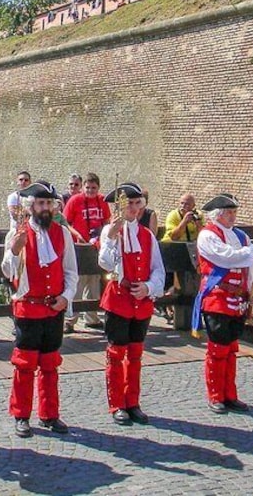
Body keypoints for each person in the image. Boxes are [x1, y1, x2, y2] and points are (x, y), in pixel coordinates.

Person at [1, 181, 77, 438]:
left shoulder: (62, 233)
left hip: (53, 308)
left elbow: (70, 271)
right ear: (31, 206)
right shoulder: (17, 234)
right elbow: (8, 271)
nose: (45, 208)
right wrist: (15, 250)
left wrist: (66, 297)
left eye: (48, 203)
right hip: (28, 308)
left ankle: (49, 414)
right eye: (40, 203)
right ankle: (21, 414)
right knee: (25, 364)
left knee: (50, 363)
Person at [97, 182, 165, 425]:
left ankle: (133, 401)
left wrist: (148, 287)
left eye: (138, 204)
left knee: (135, 354)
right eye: (130, 204)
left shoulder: (147, 235)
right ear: (121, 207)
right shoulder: (110, 232)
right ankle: (117, 403)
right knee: (117, 353)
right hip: (118, 299)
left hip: (141, 300)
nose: (134, 209)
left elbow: (158, 270)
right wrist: (112, 236)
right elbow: (105, 263)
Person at [193, 193, 253, 414]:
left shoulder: (241, 237)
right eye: (229, 212)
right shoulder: (208, 236)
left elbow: (250, 267)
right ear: (218, 215)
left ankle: (230, 394)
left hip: (238, 300)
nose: (233, 216)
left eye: (234, 212)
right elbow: (227, 257)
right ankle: (215, 395)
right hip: (218, 298)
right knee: (218, 349)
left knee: (232, 348)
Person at [62, 172, 110, 333]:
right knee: (78, 282)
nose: (90, 191)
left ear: (98, 188)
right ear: (83, 188)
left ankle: (92, 317)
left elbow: (106, 221)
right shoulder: (75, 201)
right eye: (88, 188)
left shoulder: (102, 201)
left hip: (96, 246)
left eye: (94, 188)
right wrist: (77, 235)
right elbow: (65, 222)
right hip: (80, 246)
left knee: (94, 280)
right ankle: (70, 320)